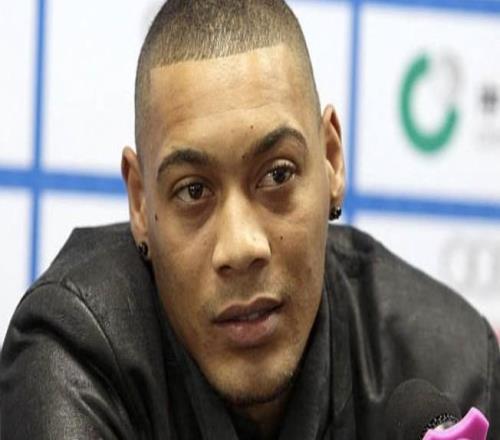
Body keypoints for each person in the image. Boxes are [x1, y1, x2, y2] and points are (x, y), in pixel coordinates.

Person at [1, 1, 499, 439]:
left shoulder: (451, 367)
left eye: (277, 175)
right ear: (139, 202)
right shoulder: (78, 353)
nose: (240, 248)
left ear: (331, 161)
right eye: (193, 190)